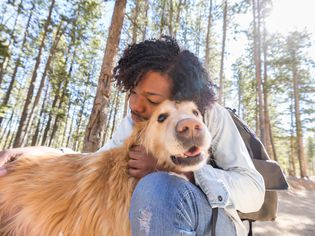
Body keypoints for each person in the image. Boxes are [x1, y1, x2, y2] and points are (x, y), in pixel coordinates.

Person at [0, 36, 265, 235]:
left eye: (151, 99)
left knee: (158, 186)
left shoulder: (212, 117)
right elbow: (99, 159)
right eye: (134, 93)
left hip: (213, 222)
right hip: (152, 220)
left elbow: (254, 191)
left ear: (180, 99)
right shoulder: (135, 122)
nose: (136, 105)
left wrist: (184, 173)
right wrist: (36, 154)